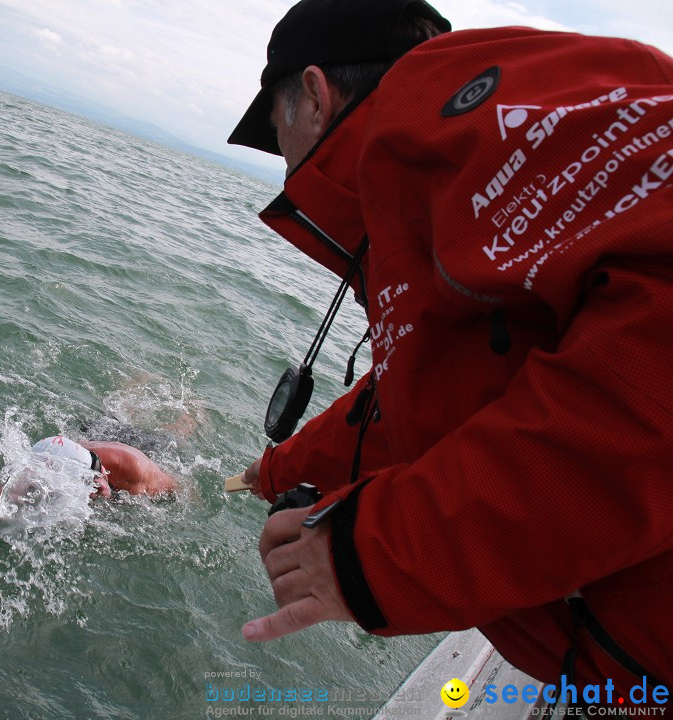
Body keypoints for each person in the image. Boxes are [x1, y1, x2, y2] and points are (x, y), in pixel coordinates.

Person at [227, 0, 673, 700]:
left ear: (314, 94)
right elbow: (422, 396)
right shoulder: (428, 191)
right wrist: (278, 469)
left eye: (275, 128)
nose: (285, 165)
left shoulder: (453, 106)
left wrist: (373, 554)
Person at [0, 435, 176, 544]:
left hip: (134, 445)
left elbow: (177, 488)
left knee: (167, 435)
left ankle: (192, 413)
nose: (97, 492)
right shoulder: (40, 474)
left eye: (97, 485)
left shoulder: (137, 472)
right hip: (85, 444)